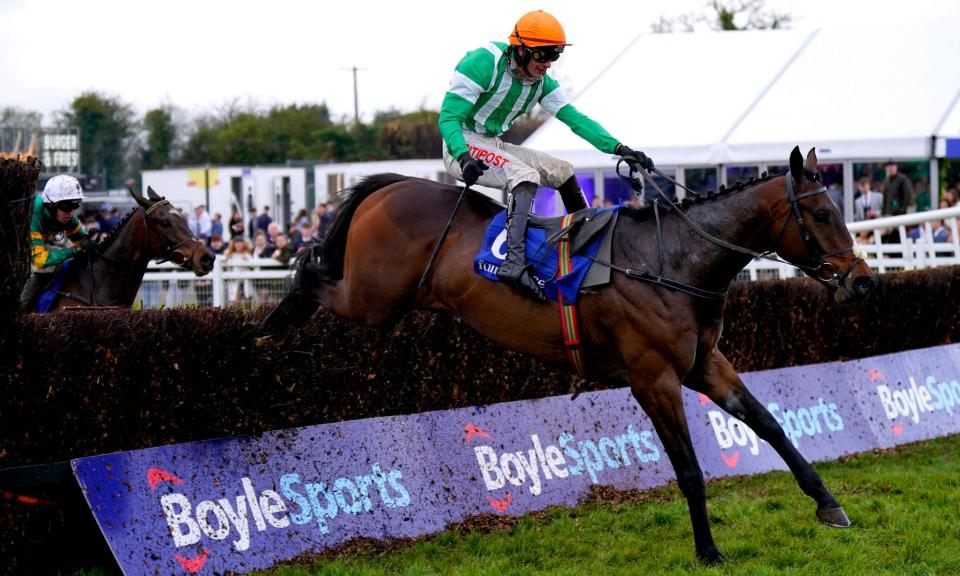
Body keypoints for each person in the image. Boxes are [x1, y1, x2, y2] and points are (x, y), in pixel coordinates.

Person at [438, 9, 653, 300]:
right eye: (542, 55)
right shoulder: (482, 62)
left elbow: (577, 120)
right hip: (460, 142)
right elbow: (448, 119)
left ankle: (586, 241)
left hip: (492, 144)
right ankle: (514, 263)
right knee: (525, 174)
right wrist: (463, 156)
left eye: (555, 55)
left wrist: (620, 149)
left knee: (563, 169)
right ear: (521, 49)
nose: (548, 64)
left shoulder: (542, 83)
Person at [19, 175, 91, 312]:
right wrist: (75, 250)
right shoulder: (33, 215)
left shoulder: (68, 217)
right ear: (51, 205)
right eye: (65, 207)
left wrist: (94, 240)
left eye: (75, 205)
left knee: (61, 259)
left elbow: (82, 241)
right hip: (12, 253)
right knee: (48, 265)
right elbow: (40, 260)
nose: (69, 213)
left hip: (31, 251)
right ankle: (19, 312)